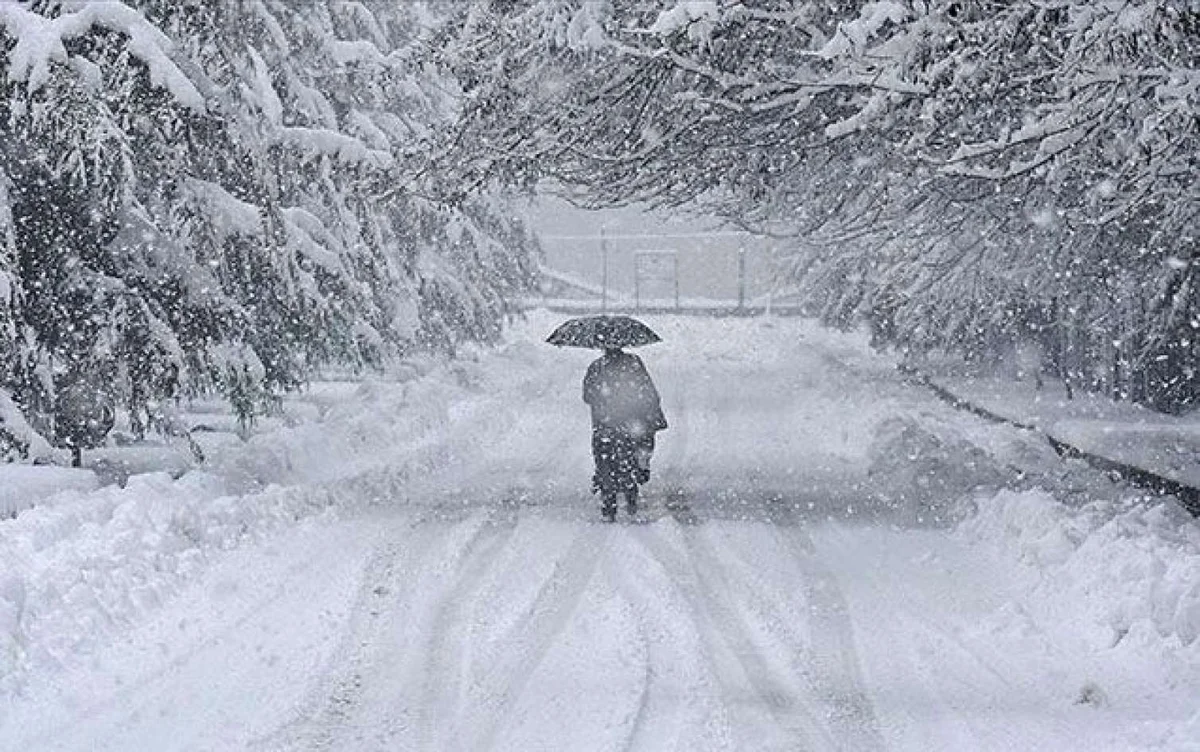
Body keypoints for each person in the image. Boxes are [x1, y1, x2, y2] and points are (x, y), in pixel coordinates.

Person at [582, 346, 667, 521]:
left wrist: (604, 399)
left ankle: (608, 502)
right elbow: (647, 391)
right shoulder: (634, 363)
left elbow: (587, 396)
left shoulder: (596, 367)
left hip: (605, 424)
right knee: (629, 458)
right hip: (630, 422)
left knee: (604, 460)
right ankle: (631, 495)